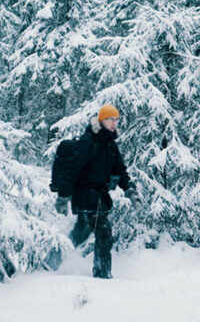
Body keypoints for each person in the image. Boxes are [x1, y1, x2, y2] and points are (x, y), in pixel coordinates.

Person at [53, 104, 142, 278]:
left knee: (80, 234)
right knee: (104, 232)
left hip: (100, 197)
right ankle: (102, 274)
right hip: (85, 195)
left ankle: (50, 262)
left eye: (116, 119)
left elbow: (120, 171)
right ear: (101, 120)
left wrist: (130, 190)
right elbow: (71, 169)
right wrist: (63, 197)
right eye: (110, 119)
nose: (114, 123)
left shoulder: (111, 145)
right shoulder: (88, 142)